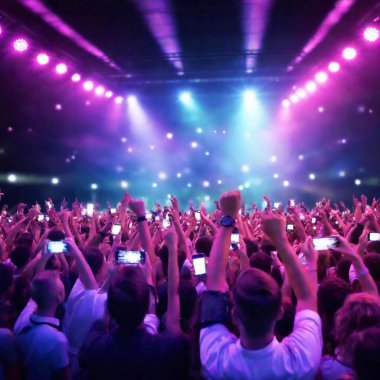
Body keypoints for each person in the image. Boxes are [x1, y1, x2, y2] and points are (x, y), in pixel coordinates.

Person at [199, 190, 322, 379]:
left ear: (234, 316)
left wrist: (228, 218)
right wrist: (280, 239)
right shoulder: (302, 362)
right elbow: (307, 297)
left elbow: (214, 283)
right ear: (280, 312)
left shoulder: (215, 360)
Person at [13, 270, 70, 380]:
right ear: (59, 297)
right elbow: (65, 377)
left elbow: (37, 287)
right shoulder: (57, 339)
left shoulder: (22, 319)